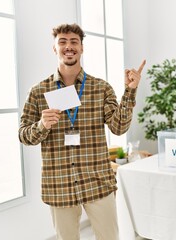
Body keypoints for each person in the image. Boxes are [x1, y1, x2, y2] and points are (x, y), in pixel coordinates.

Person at [18, 23, 146, 240]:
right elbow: (24, 135)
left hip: (97, 181)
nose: (69, 46)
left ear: (82, 48)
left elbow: (118, 127)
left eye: (74, 42)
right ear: (54, 49)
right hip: (59, 183)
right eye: (63, 42)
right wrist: (41, 125)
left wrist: (130, 92)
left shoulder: (100, 88)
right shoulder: (38, 91)